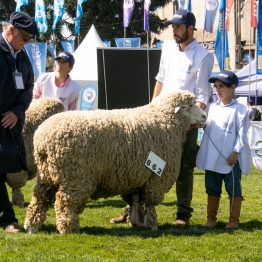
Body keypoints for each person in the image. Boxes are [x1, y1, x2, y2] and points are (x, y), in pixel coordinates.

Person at [110, 9, 214, 226]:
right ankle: (135, 209)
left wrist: (190, 122)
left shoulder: (203, 56)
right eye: (172, 27)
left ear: (189, 28)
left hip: (185, 123)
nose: (174, 31)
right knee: (148, 164)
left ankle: (182, 214)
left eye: (178, 27)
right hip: (158, 124)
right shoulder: (167, 47)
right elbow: (160, 79)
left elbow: (203, 94)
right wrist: (150, 109)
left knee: (183, 167)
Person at [196, 71, 251, 229]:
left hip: (230, 158)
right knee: (212, 188)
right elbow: (204, 123)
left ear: (233, 87)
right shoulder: (212, 108)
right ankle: (211, 218)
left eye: (222, 86)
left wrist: (236, 151)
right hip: (212, 157)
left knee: (233, 188)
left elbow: (242, 133)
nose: (218, 90)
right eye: (216, 86)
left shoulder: (240, 109)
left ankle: (234, 220)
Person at [0, 11, 39, 233]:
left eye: (30, 39)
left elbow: (28, 88)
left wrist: (16, 111)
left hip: (9, 124)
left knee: (3, 170)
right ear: (11, 29)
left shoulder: (22, 57)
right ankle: (8, 220)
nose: (27, 42)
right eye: (25, 37)